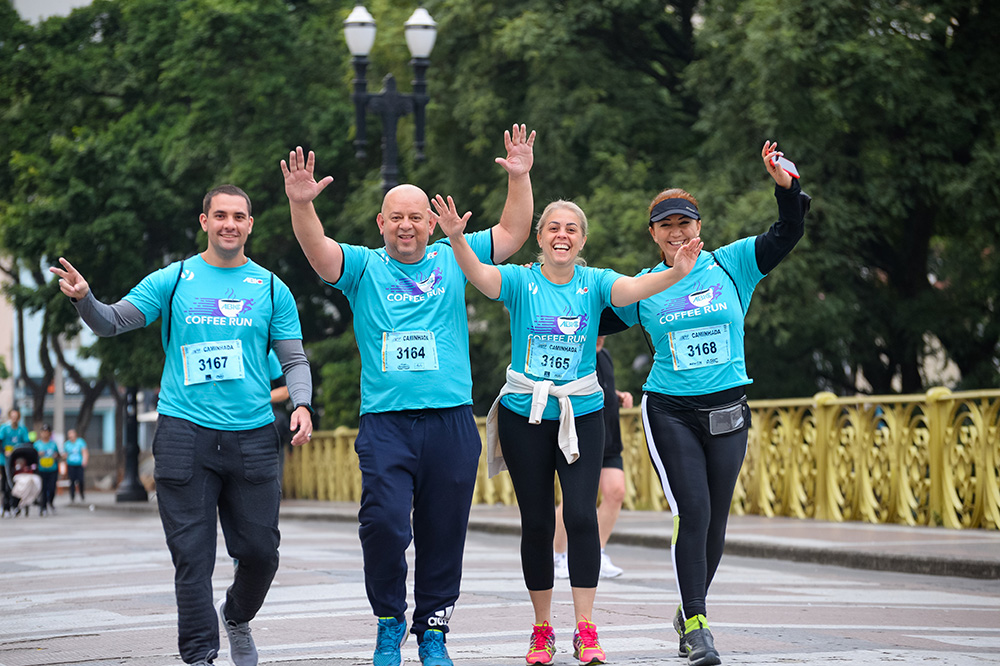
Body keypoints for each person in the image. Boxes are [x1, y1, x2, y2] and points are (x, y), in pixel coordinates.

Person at [281, 124, 535, 666]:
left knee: (444, 530)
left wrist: (520, 176)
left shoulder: (453, 257)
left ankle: (435, 628)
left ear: (430, 223)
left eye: (416, 217)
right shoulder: (364, 267)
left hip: (449, 422)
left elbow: (513, 234)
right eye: (396, 217)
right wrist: (302, 205)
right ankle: (389, 619)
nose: (406, 226)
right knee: (384, 521)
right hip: (386, 423)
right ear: (382, 224)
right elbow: (320, 252)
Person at [49, 184, 314, 666]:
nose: (229, 223)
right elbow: (111, 322)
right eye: (220, 215)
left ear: (250, 224)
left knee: (261, 553)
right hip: (184, 435)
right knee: (193, 558)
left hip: (253, 435)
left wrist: (302, 404)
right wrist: (85, 299)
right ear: (204, 221)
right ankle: (200, 656)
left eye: (238, 216)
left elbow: (293, 359)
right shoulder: (174, 279)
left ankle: (235, 615)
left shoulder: (272, 288)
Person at [432, 194, 701, 666]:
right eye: (553, 228)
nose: (562, 235)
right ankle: (541, 629)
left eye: (571, 229)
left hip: (582, 412)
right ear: (540, 238)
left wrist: (677, 272)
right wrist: (455, 237)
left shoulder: (595, 283)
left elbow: (635, 291)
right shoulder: (521, 281)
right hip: (525, 414)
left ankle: (585, 627)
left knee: (580, 516)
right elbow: (480, 274)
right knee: (536, 522)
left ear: (581, 240)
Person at [601, 141, 810, 666]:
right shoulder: (646, 286)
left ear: (699, 228)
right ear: (653, 234)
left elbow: (787, 234)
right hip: (669, 408)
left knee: (715, 518)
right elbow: (589, 323)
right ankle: (697, 625)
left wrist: (787, 190)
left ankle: (690, 606)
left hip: (729, 410)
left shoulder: (733, 264)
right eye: (666, 226)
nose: (677, 233)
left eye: (684, 224)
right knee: (691, 509)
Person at [552, 335, 632, 580]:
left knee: (616, 491)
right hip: (582, 435)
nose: (601, 338)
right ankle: (557, 556)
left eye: (604, 333)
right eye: (596, 333)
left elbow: (603, 387)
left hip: (610, 439)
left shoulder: (604, 356)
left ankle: (597, 552)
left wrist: (617, 395)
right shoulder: (574, 356)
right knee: (576, 498)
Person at [1, 408, 32, 517]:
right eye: (12, 416)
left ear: (18, 417)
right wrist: (5, 451)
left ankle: (15, 505)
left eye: (16, 416)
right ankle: (6, 506)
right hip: (5, 461)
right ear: (10, 416)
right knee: (6, 483)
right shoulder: (4, 428)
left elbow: (27, 443)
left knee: (18, 484)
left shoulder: (22, 429)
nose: (14, 419)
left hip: (17, 462)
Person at [8, 444, 41, 516]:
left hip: (30, 476)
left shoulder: (29, 465)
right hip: (20, 477)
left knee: (35, 481)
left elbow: (34, 468)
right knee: (24, 483)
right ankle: (19, 503)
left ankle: (31, 500)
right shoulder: (17, 466)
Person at [33, 424, 60, 515]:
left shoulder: (53, 444)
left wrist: (56, 456)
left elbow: (58, 454)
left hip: (52, 469)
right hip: (41, 470)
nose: (45, 434)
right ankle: (43, 507)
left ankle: (50, 502)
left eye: (47, 432)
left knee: (52, 488)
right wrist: (38, 455)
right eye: (43, 432)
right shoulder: (37, 444)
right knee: (43, 489)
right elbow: (32, 458)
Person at [63, 428, 89, 502]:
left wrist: (85, 461)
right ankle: (72, 496)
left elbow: (85, 452)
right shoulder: (67, 444)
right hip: (71, 465)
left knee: (81, 480)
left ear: (75, 434)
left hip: (79, 464)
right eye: (69, 434)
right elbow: (65, 454)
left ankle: (81, 493)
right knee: (72, 481)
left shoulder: (80, 442)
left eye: (72, 434)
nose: (70, 436)